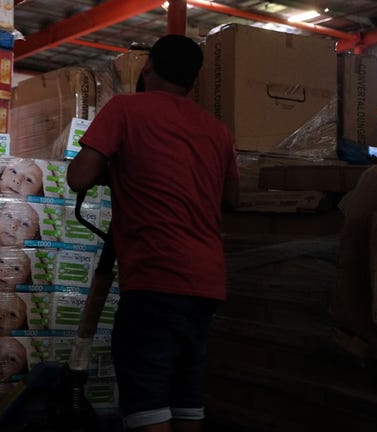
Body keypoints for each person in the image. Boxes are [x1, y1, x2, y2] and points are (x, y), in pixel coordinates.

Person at [67, 34, 240, 432]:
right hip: (207, 283)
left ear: (147, 68)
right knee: (185, 397)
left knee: (146, 399)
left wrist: (118, 169)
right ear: (193, 82)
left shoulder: (125, 109)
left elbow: (78, 177)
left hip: (155, 276)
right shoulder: (217, 131)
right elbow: (231, 198)